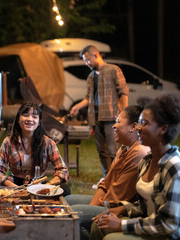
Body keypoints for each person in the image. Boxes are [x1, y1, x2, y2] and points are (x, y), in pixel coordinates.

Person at [91, 93, 180, 239]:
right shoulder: (146, 161)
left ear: (162, 129)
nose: (138, 128)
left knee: (110, 237)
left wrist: (121, 225)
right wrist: (122, 209)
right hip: (148, 225)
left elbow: (168, 224)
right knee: (99, 226)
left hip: (164, 235)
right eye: (138, 122)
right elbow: (145, 207)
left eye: (144, 123)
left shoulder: (173, 167)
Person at [65, 105, 150, 239]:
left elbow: (117, 198)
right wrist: (92, 207)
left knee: (72, 215)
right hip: (110, 201)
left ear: (133, 127)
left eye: (118, 121)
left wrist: (90, 210)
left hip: (121, 207)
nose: (113, 126)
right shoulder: (124, 147)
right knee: (67, 201)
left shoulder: (139, 152)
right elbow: (107, 182)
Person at [70, 45, 129, 178]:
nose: (86, 63)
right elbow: (88, 97)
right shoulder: (91, 76)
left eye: (87, 59)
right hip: (96, 119)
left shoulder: (113, 70)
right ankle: (106, 178)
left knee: (114, 151)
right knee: (102, 152)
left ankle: (117, 179)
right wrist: (77, 107)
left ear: (95, 55)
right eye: (85, 60)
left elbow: (123, 91)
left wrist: (124, 114)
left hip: (111, 117)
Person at [0, 102, 70, 195]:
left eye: (34, 116)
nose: (30, 119)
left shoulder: (48, 142)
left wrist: (47, 186)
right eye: (25, 115)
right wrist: (17, 189)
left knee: (65, 189)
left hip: (40, 185)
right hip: (15, 185)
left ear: (39, 122)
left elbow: (63, 170)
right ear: (18, 119)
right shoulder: (9, 142)